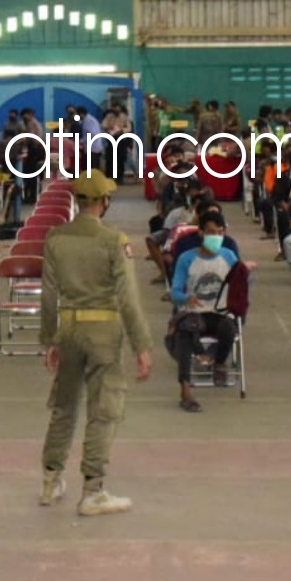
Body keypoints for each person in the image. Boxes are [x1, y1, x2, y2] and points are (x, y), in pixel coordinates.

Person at [39, 171, 154, 516]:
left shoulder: (55, 238)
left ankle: (50, 480)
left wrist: (50, 340)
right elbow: (128, 298)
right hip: (104, 332)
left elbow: (48, 295)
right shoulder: (114, 241)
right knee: (103, 411)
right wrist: (141, 345)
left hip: (70, 331)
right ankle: (92, 490)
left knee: (64, 406)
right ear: (104, 202)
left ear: (77, 201)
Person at [167, 212, 240, 412]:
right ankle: (185, 389)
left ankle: (218, 363)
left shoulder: (229, 256)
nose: (215, 236)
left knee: (228, 327)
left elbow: (239, 286)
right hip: (194, 312)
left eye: (220, 232)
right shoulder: (186, 259)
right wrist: (185, 298)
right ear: (200, 233)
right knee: (185, 334)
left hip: (219, 313)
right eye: (211, 232)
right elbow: (174, 291)